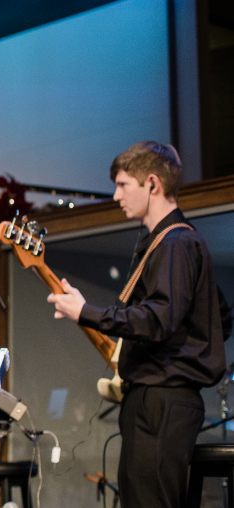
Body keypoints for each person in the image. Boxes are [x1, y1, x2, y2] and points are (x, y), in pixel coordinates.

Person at [48, 141, 231, 508]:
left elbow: (158, 318)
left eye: (122, 184)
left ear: (152, 183)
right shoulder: (174, 242)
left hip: (162, 402)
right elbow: (220, 318)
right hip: (161, 400)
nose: (116, 195)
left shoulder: (175, 243)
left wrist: (86, 311)